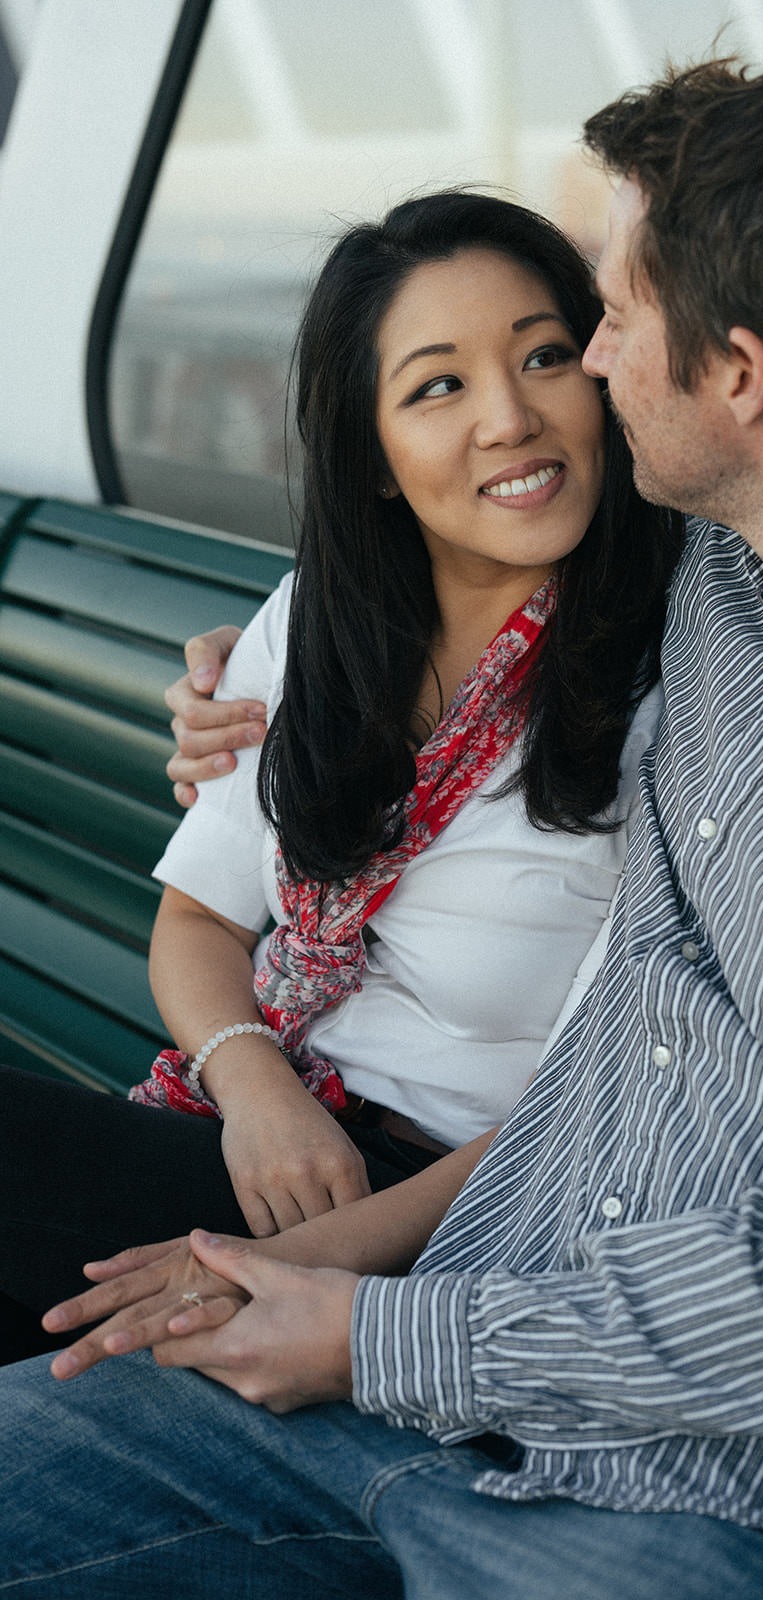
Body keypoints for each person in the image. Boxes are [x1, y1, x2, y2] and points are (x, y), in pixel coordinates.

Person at [3, 53, 763, 1600]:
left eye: (604, 324)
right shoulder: (730, 581)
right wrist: (253, 686)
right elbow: (457, 565)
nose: (580, 370)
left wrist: (366, 1322)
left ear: (741, 375)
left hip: (756, 1510)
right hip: (431, 1380)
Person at [0, 190, 682, 1363]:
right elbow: (199, 916)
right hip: (257, 1124)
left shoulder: (679, 675)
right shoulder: (322, 619)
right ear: (371, 454)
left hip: (451, 1214)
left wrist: (302, 1266)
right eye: (438, 385)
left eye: (544, 355)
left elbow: (599, 1096)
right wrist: (256, 1087)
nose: (510, 417)